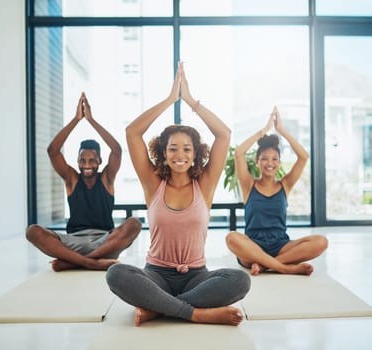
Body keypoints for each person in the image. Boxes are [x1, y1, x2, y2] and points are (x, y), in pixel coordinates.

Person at [106, 62, 250, 327]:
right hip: (156, 275)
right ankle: (194, 313)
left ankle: (159, 308)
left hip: (196, 276)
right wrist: (170, 98)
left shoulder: (205, 184)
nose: (180, 155)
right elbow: (132, 133)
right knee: (116, 274)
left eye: (186, 149)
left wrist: (192, 101)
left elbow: (224, 134)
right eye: (173, 149)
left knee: (240, 280)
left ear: (196, 154)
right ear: (163, 153)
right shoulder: (153, 183)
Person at [26, 92, 142, 272]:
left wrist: (91, 120)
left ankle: (75, 262)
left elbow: (117, 150)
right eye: (82, 160)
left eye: (92, 160)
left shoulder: (107, 178)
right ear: (78, 161)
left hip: (105, 242)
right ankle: (92, 262)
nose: (87, 165)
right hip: (73, 242)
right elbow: (53, 151)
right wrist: (76, 119)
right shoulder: (71, 179)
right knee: (32, 231)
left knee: (134, 223)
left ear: (99, 162)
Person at [226, 106, 328, 276]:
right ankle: (285, 268)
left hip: (281, 247)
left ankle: (266, 265)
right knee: (232, 238)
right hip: (253, 248)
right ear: (257, 162)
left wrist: (281, 130)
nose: (269, 163)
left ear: (279, 162)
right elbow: (239, 153)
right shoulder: (249, 185)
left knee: (321, 241)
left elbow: (303, 156)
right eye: (264, 158)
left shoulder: (285, 185)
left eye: (274, 159)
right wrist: (264, 130)